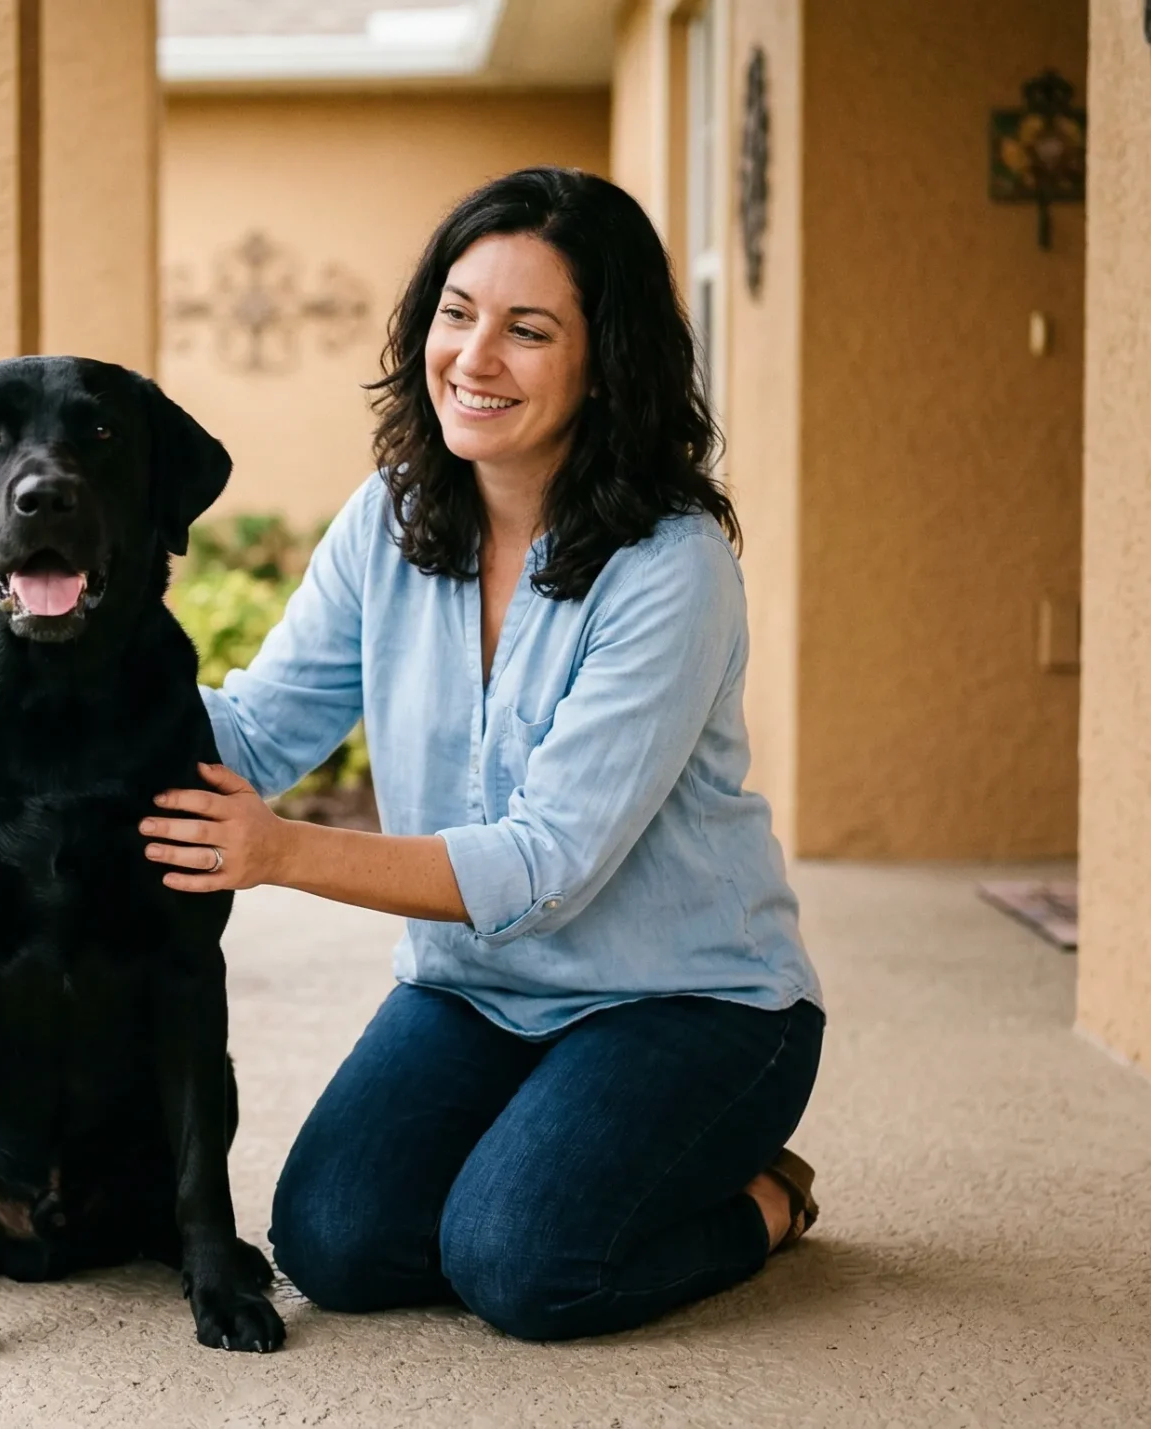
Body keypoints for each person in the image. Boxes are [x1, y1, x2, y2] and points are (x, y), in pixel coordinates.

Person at [137, 166, 825, 1343]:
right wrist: (64, 683)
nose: (473, 357)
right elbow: (255, 730)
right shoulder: (392, 515)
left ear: (605, 362)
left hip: (690, 1002)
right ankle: (563, 1144)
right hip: (476, 992)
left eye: (528, 329)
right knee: (330, 1245)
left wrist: (279, 852)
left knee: (520, 1265)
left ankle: (765, 1194)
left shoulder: (672, 565)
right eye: (456, 313)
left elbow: (544, 859)